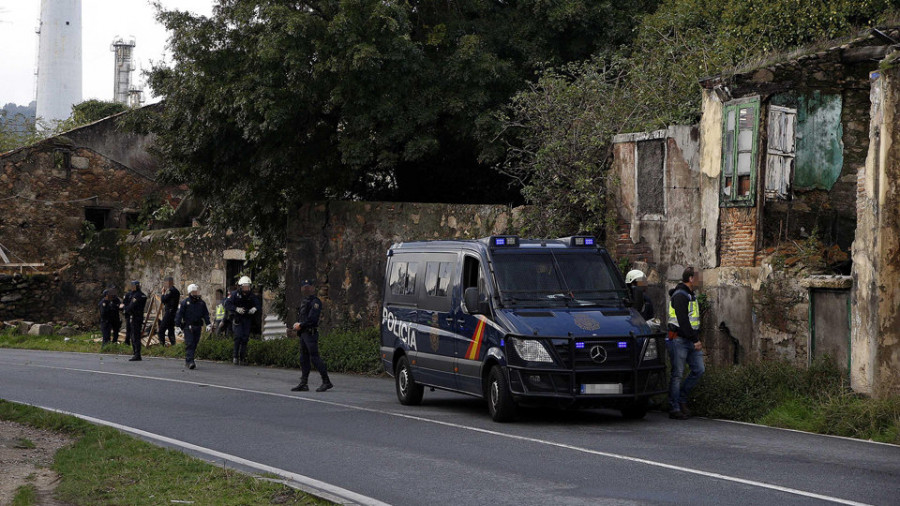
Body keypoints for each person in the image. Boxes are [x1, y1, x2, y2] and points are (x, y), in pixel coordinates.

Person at [666, 266, 704, 420]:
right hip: (679, 339)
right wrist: (695, 340)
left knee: (699, 370)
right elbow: (682, 320)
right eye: (698, 277)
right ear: (690, 279)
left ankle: (681, 399)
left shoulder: (690, 295)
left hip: (688, 339)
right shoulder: (681, 295)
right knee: (677, 374)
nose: (701, 280)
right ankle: (674, 407)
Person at [291, 280, 332, 392]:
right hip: (304, 333)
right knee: (303, 358)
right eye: (304, 287)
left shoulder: (315, 302)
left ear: (313, 288)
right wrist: (298, 324)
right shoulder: (305, 301)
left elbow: (312, 319)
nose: (306, 289)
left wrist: (301, 325)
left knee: (315, 358)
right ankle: (304, 383)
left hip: (310, 333)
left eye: (308, 287)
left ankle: (326, 381)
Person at [224, 276, 260, 365]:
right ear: (240, 286)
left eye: (247, 286)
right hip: (238, 318)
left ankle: (242, 358)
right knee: (238, 337)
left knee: (245, 338)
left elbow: (258, 304)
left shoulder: (251, 295)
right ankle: (235, 356)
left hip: (247, 318)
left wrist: (254, 309)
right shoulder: (235, 294)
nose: (246, 288)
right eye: (244, 286)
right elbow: (227, 304)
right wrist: (236, 309)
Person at [175, 283, 211, 370]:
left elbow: (205, 314)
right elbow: (179, 314)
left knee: (195, 343)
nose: (196, 293)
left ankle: (189, 359)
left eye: (197, 291)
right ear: (190, 292)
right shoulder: (185, 303)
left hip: (198, 326)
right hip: (188, 326)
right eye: (194, 292)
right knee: (190, 343)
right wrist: (177, 325)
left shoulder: (201, 303)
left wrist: (208, 324)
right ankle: (190, 361)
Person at [124, 280, 148, 361]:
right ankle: (135, 352)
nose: (132, 287)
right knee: (133, 335)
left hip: (136, 317)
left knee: (135, 336)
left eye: (133, 286)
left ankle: (137, 354)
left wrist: (124, 309)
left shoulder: (137, 296)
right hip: (136, 317)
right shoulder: (139, 295)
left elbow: (131, 306)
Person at [158, 276, 181, 346]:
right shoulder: (176, 291)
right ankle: (173, 345)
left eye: (166, 283)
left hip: (169, 312)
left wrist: (163, 293)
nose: (165, 284)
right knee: (170, 330)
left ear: (169, 283)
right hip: (173, 312)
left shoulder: (171, 291)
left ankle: (161, 346)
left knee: (161, 330)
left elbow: (163, 300)